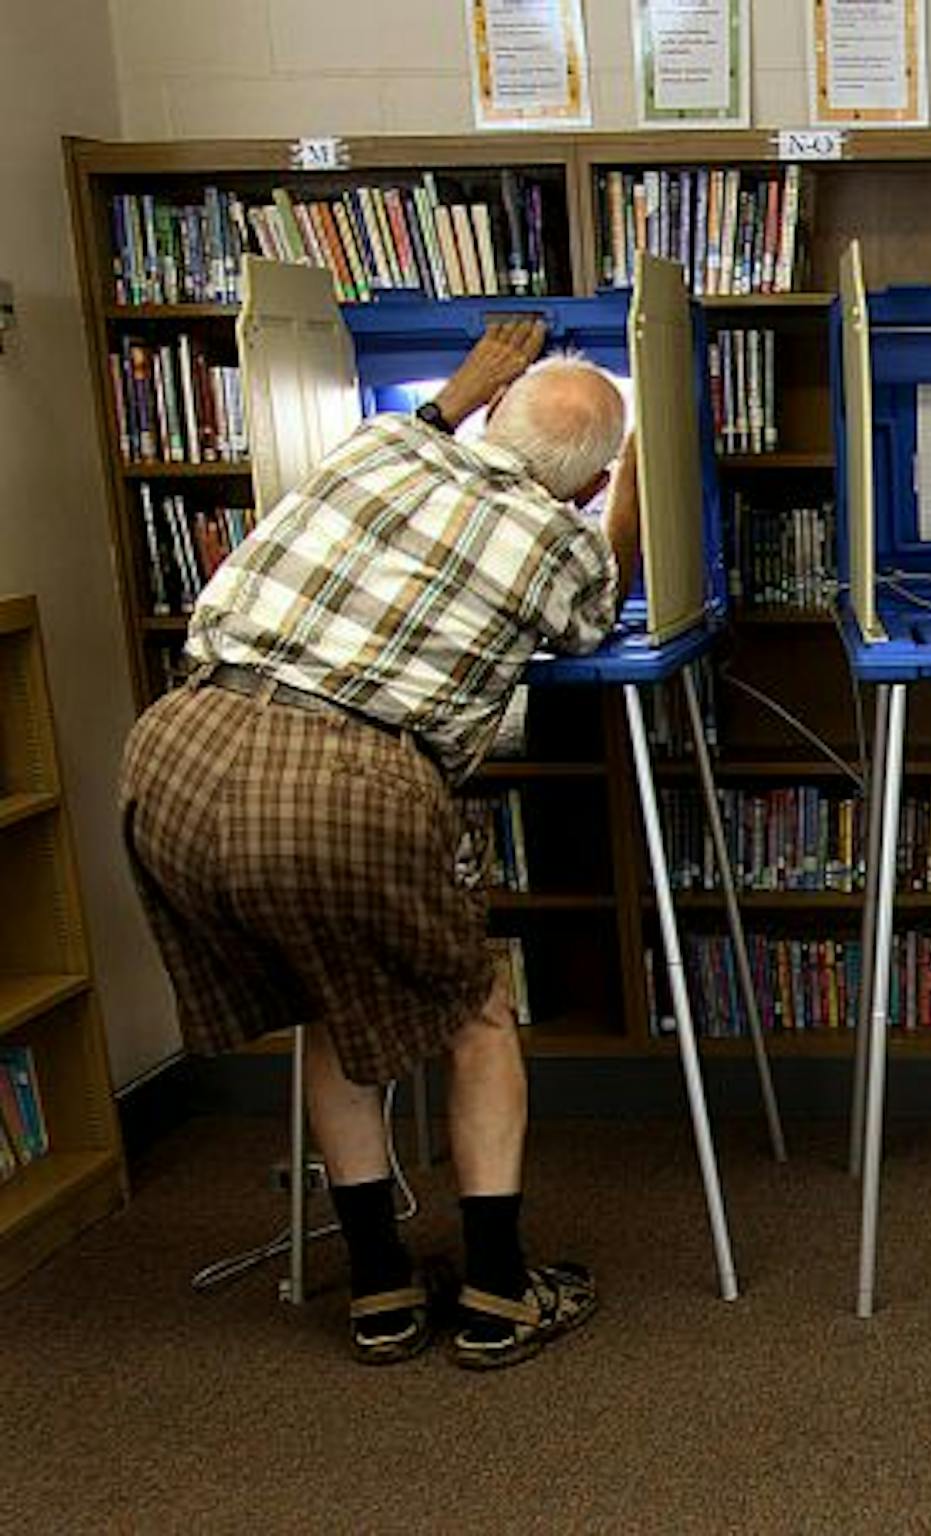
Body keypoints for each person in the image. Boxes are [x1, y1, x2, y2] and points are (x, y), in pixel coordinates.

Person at [121, 319, 639, 1363]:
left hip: (174, 753)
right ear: (584, 487)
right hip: (338, 781)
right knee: (477, 1016)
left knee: (328, 1001)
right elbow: (595, 614)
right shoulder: (561, 541)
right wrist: (619, 490)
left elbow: (431, 431)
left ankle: (380, 1292)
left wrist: (465, 387)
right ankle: (496, 1292)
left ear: (495, 413)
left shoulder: (383, 445)